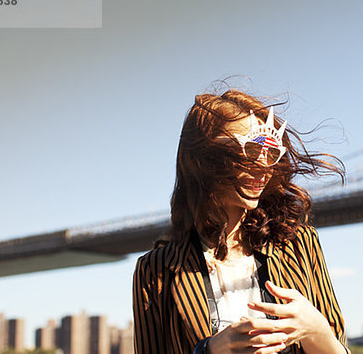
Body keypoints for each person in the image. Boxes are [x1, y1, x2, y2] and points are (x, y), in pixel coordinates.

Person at [133, 88, 350, 354]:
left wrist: (316, 329)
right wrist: (209, 351)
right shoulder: (155, 271)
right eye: (248, 149)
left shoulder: (301, 245)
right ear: (203, 159)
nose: (263, 166)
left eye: (271, 152)